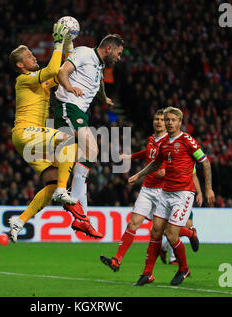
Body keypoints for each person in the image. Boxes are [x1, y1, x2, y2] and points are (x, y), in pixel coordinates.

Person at [8, 22, 102, 242]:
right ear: (21, 65)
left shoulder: (39, 82)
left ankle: (20, 220)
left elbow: (60, 73)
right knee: (70, 138)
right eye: (29, 56)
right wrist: (57, 43)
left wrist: (69, 45)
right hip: (25, 132)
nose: (33, 57)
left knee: (50, 183)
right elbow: (52, 70)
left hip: (29, 140)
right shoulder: (23, 80)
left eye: (32, 54)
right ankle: (63, 189)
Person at [100, 110, 200, 272]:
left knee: (168, 230)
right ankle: (116, 260)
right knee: (133, 223)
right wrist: (131, 157)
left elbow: (182, 166)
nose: (159, 122)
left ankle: (189, 233)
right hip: (147, 189)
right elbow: (149, 154)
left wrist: (166, 172)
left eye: (162, 119)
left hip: (164, 191)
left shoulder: (173, 142)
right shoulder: (152, 139)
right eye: (157, 119)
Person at [128, 106, 215, 286]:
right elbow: (155, 163)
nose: (169, 123)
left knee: (171, 235)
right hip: (166, 193)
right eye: (167, 120)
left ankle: (184, 269)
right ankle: (147, 274)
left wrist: (208, 189)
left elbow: (205, 162)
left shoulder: (187, 140)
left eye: (173, 120)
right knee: (155, 231)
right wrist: (139, 175)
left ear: (180, 122)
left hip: (183, 194)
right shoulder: (164, 143)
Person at [52, 34, 124, 217]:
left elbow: (98, 84)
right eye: (119, 53)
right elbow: (62, 71)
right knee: (91, 148)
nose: (119, 58)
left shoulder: (99, 66)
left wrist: (104, 98)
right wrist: (69, 88)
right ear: (109, 48)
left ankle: (78, 203)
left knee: (86, 154)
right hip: (68, 105)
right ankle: (75, 201)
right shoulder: (83, 52)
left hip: (80, 112)